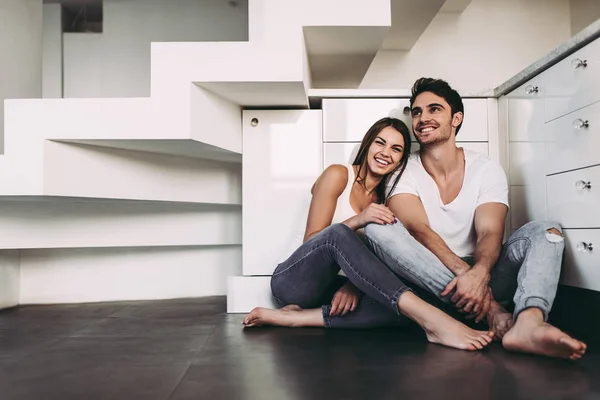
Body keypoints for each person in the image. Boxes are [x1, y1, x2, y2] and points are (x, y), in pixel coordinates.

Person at [364, 78, 587, 360]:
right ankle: (493, 313)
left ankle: (529, 323)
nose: (422, 119)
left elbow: (490, 233)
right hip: (429, 281)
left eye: (434, 109)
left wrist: (480, 273)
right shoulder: (402, 171)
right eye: (417, 112)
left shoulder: (486, 168)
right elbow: (418, 230)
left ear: (456, 118)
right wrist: (474, 285)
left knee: (547, 231)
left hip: (487, 276)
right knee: (376, 229)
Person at [243, 117, 495, 351]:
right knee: (338, 233)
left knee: (399, 303)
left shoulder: (387, 200)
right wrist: (360, 218)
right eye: (380, 143)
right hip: (295, 281)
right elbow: (315, 241)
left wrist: (354, 284)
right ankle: (436, 323)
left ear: (401, 160)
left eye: (396, 149)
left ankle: (296, 319)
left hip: (332, 290)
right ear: (368, 144)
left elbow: (374, 259)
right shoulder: (338, 174)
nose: (386, 153)